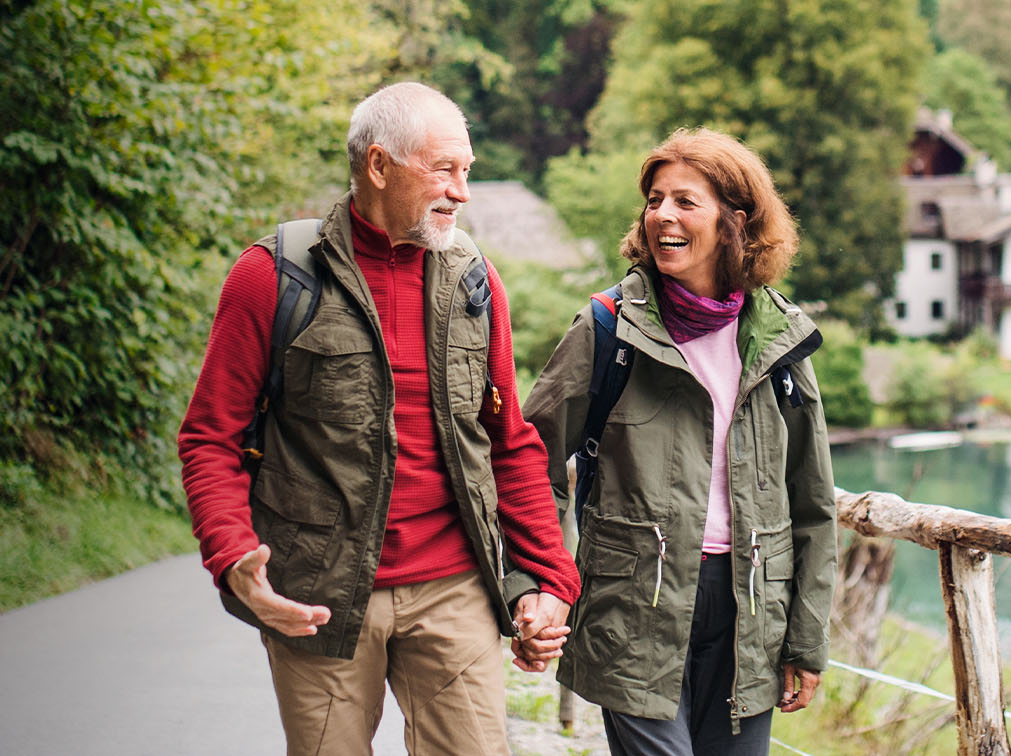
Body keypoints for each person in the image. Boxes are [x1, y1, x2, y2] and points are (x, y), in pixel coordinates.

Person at [177, 81, 580, 755]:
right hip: (319, 595)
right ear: (379, 165)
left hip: (455, 586)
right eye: (444, 169)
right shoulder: (272, 275)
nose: (463, 191)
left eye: (468, 171)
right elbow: (209, 437)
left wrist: (548, 579)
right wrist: (234, 556)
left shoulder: (475, 279)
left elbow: (508, 442)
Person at [522, 128, 837, 756]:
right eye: (655, 199)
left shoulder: (779, 337)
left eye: (686, 201)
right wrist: (544, 580)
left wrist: (805, 639)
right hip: (635, 603)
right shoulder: (610, 327)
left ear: (734, 222)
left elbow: (813, 500)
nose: (662, 214)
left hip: (751, 610)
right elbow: (528, 456)